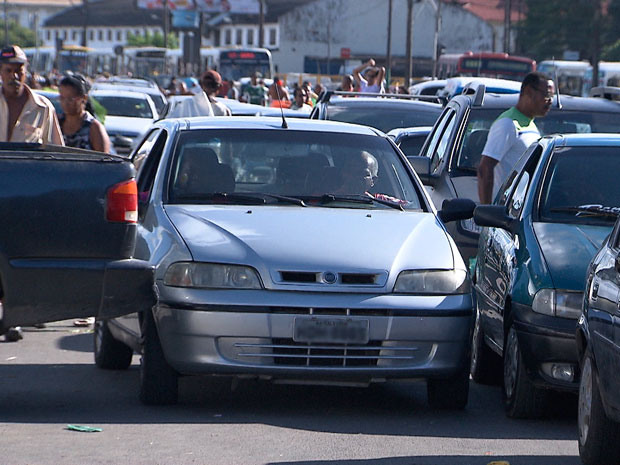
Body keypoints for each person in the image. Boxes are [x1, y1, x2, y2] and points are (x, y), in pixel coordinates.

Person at [477, 71, 554, 204]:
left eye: (552, 96)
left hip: (517, 211)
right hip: (501, 213)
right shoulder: (508, 124)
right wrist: (487, 212)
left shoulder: (531, 126)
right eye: (547, 95)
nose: (550, 101)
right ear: (529, 91)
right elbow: (485, 168)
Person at [0, 44, 63, 145]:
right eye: (8, 71)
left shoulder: (43, 107)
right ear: (1, 72)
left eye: (18, 71)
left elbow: (56, 151)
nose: (14, 76)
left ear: (25, 72)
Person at [58, 73, 111, 152]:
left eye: (70, 99)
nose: (65, 103)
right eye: (62, 98)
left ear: (84, 98)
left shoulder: (94, 128)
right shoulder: (56, 123)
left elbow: (104, 159)